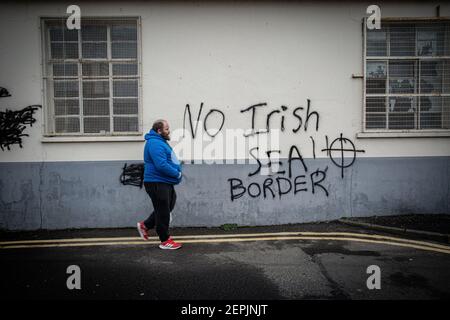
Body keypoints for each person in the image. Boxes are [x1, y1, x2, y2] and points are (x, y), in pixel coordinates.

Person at [137, 119, 183, 250]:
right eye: (167, 129)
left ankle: (145, 225)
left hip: (164, 181)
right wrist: (176, 173)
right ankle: (165, 240)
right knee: (163, 211)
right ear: (159, 130)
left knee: (169, 205)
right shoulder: (155, 143)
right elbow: (161, 164)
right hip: (156, 182)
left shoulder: (160, 142)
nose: (169, 131)